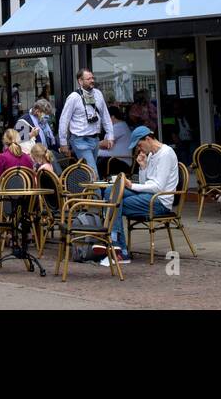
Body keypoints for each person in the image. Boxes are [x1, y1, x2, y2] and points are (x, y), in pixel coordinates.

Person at [103, 125, 178, 265]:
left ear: (148, 139)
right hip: (150, 196)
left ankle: (118, 248)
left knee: (115, 203)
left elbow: (157, 187)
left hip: (160, 201)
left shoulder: (166, 153)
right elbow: (146, 183)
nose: (139, 149)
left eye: (139, 145)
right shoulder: (151, 154)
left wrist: (131, 185)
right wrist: (143, 166)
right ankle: (116, 245)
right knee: (110, 192)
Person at [58, 69, 113, 174]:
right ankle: (97, 191)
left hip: (95, 139)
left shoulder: (98, 94)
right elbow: (64, 120)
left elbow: (105, 116)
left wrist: (110, 135)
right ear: (80, 81)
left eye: (92, 78)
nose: (92, 80)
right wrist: (63, 142)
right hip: (80, 140)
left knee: (88, 173)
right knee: (93, 173)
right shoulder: (73, 97)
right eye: (88, 79)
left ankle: (83, 189)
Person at [99, 105, 133, 176]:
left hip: (121, 161)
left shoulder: (119, 126)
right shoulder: (120, 126)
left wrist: (93, 144)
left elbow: (106, 144)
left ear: (112, 117)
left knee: (100, 161)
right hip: (117, 159)